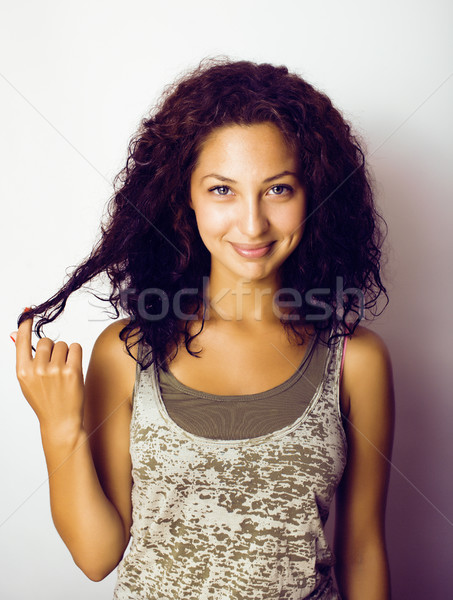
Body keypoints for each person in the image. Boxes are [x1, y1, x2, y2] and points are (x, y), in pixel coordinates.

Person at [11, 57, 394, 599]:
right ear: (183, 197)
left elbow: (363, 550)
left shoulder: (355, 359)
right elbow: (97, 558)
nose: (253, 222)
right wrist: (59, 426)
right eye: (222, 190)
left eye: (278, 189)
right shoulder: (128, 353)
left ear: (315, 196)